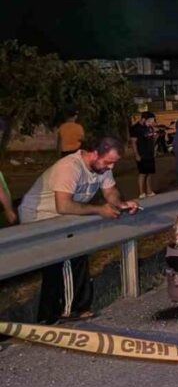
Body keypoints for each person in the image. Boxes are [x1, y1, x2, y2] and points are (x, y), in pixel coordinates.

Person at [18, 136, 139, 323]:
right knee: (65, 259)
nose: (111, 168)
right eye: (109, 162)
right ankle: (67, 311)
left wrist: (120, 204)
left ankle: (57, 313)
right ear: (94, 153)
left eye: (114, 163)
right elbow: (63, 206)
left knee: (76, 256)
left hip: (64, 218)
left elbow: (110, 192)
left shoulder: (102, 167)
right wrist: (100, 210)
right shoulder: (70, 167)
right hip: (40, 217)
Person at [129, 111, 158, 198]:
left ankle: (149, 191)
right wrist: (137, 154)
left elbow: (151, 137)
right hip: (142, 153)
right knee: (142, 173)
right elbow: (133, 143)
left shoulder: (149, 127)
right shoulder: (136, 128)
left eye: (152, 121)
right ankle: (142, 193)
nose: (151, 122)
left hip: (150, 153)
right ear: (143, 119)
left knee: (149, 172)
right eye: (150, 121)